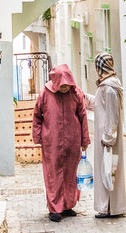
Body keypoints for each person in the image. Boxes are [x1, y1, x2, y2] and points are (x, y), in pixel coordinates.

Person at [32, 64, 90, 222]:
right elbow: (37, 115)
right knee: (54, 175)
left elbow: (82, 116)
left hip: (72, 141)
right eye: (61, 85)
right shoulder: (45, 93)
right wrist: (38, 137)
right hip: (52, 142)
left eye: (67, 85)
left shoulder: (76, 92)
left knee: (71, 174)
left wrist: (85, 139)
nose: (64, 88)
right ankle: (55, 208)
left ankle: (68, 205)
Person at [85, 52, 126, 218]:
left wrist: (108, 139)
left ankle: (109, 208)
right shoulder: (109, 85)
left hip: (107, 139)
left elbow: (111, 116)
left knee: (109, 171)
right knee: (109, 170)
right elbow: (100, 106)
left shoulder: (109, 88)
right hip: (107, 138)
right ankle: (110, 207)